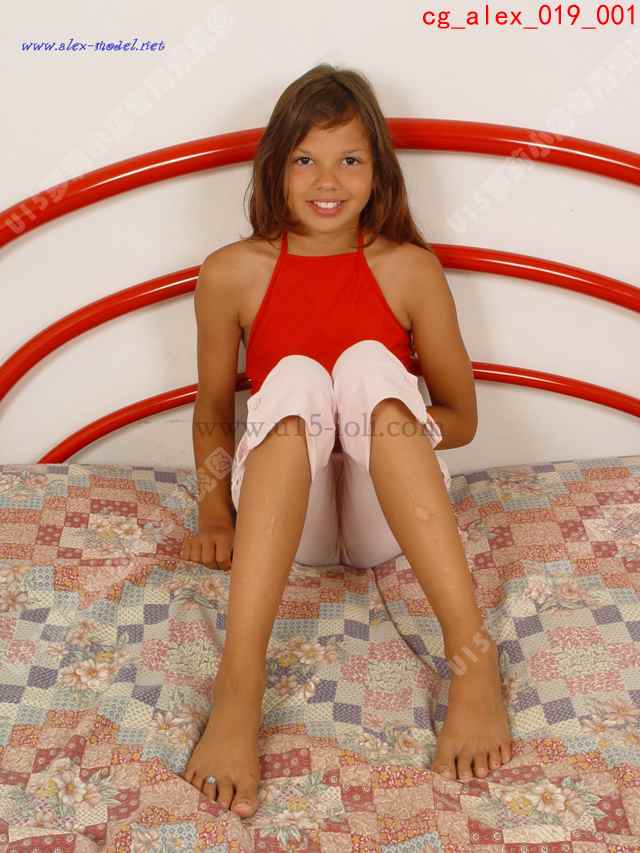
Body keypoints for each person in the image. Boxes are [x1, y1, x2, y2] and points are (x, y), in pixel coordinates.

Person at [179, 63, 512, 819]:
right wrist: (213, 515)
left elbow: (462, 417)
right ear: (275, 167)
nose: (327, 181)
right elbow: (214, 411)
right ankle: (239, 684)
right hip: (285, 518)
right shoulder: (232, 272)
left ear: (378, 170)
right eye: (305, 159)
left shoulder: (409, 270)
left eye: (350, 159)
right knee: (297, 377)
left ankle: (474, 660)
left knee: (365, 365)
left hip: (381, 512)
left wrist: (390, 424)